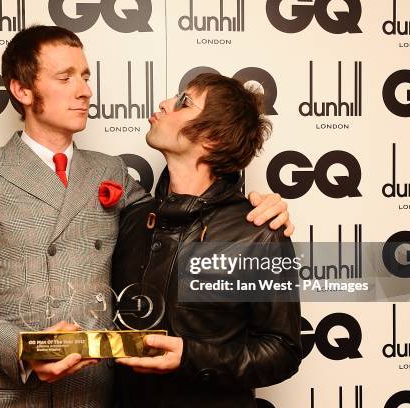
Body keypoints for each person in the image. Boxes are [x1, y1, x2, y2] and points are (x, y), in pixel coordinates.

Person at [0, 25, 292, 408]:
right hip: (11, 398)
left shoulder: (111, 173)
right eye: (65, 78)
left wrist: (258, 206)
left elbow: (188, 211)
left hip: (96, 397)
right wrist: (16, 347)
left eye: (85, 76)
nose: (84, 91)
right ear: (23, 91)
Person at [111, 73, 302, 407]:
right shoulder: (133, 220)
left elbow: (281, 351)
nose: (164, 104)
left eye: (184, 101)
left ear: (212, 138)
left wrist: (192, 357)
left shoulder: (257, 230)